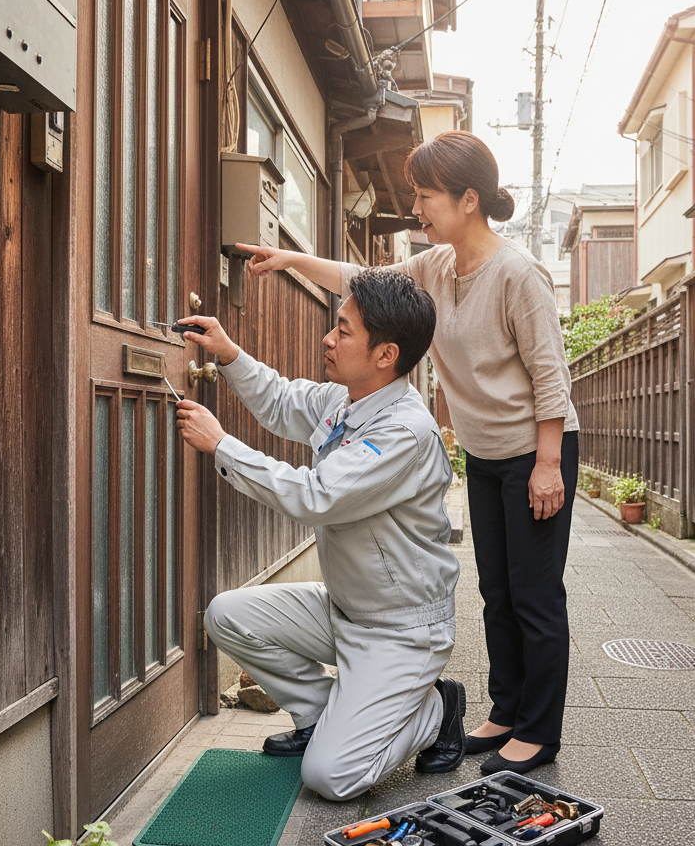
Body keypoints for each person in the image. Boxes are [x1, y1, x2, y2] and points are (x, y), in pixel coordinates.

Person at [238, 130, 579, 776]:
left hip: (537, 450)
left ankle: (539, 730)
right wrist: (290, 262)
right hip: (485, 454)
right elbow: (361, 280)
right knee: (498, 592)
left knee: (536, 595)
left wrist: (546, 463)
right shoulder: (438, 267)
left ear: (468, 199)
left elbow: (549, 376)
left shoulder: (517, 274)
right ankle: (504, 712)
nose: (416, 207)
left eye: (426, 195)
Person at [174, 267, 466, 802]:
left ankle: (435, 711)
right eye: (336, 325)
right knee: (225, 616)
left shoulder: (404, 431)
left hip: (401, 632)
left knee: (331, 778)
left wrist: (222, 446)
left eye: (345, 330)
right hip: (344, 610)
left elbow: (316, 496)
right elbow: (282, 400)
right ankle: (318, 716)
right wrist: (229, 353)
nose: (329, 339)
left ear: (386, 355)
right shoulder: (346, 400)